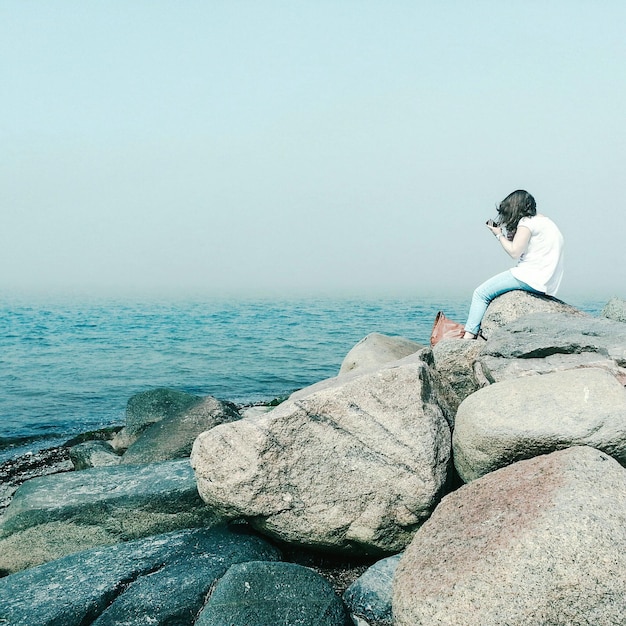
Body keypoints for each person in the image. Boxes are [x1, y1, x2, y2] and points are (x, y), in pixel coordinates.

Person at [463, 189, 564, 339]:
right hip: (547, 283)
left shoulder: (526, 222)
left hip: (529, 277)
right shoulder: (547, 222)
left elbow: (514, 252)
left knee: (481, 293)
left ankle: (468, 337)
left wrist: (498, 235)